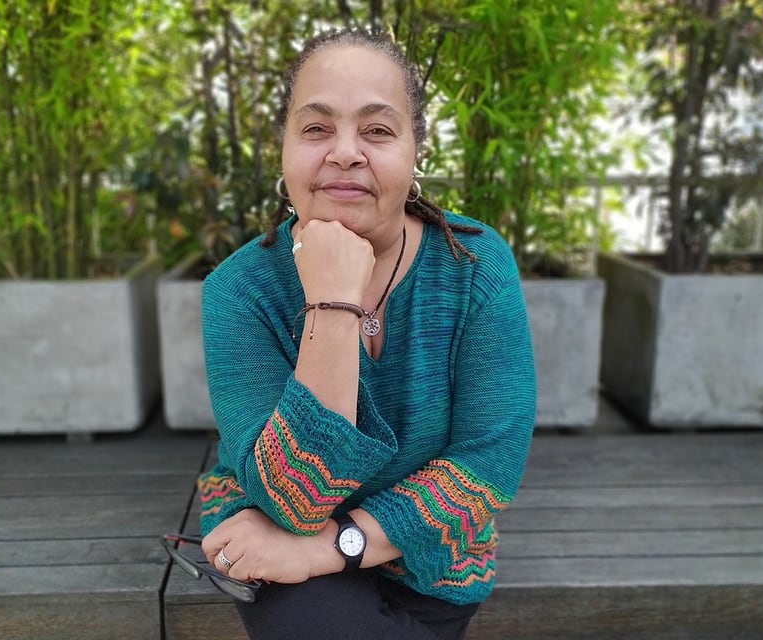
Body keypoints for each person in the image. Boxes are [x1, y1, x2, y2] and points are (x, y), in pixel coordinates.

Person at [194, 28, 536, 640]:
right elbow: (292, 501)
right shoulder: (239, 290)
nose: (346, 152)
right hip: (274, 538)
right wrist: (332, 302)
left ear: (415, 150)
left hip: (434, 556)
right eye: (316, 128)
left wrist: (333, 547)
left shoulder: (474, 266)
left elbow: (489, 461)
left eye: (377, 130)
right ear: (283, 149)